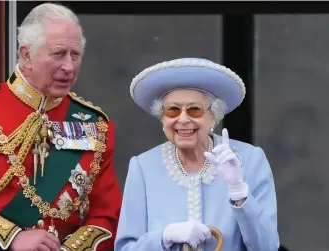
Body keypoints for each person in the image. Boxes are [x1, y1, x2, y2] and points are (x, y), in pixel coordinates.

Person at [0, 3, 122, 251]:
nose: (69, 67)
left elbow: (107, 217)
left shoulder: (95, 125)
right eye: (58, 54)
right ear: (26, 54)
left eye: (75, 54)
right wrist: (12, 239)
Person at [114, 58, 279, 251]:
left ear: (213, 116)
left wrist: (239, 191)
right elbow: (125, 248)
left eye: (195, 110)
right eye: (173, 110)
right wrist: (163, 238)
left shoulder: (250, 160)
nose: (183, 119)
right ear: (163, 118)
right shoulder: (142, 167)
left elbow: (267, 247)